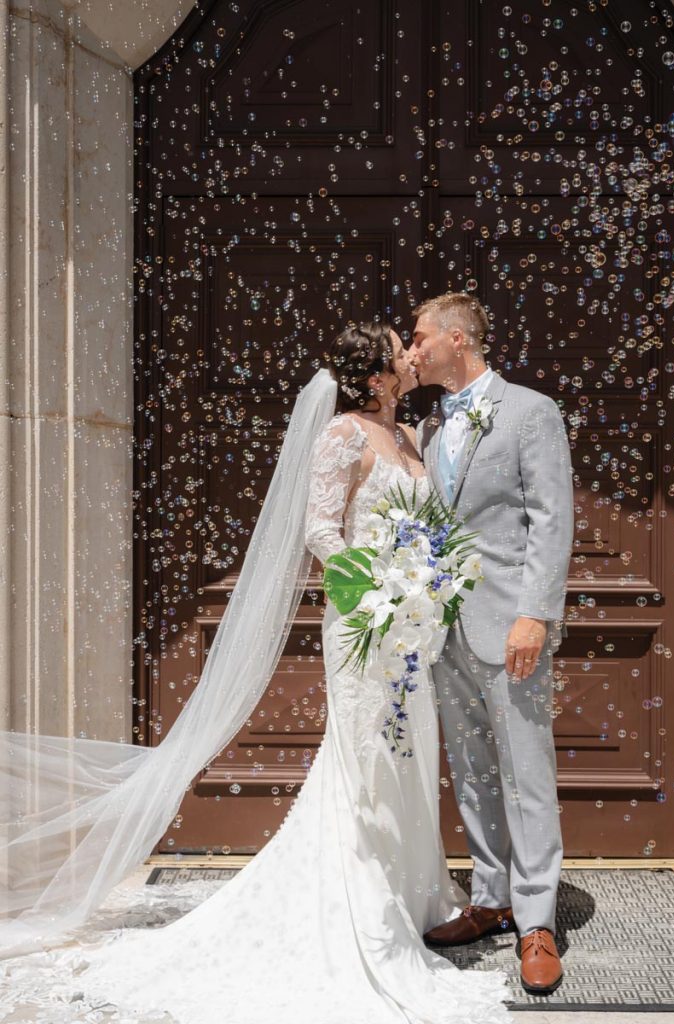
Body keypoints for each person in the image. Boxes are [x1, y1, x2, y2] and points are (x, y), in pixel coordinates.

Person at [0, 323, 510, 1024]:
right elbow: (321, 530)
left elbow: (430, 528)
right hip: (366, 625)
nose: (410, 354)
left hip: (413, 632)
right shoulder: (343, 437)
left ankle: (413, 894)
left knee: (411, 757)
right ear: (376, 377)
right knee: (366, 759)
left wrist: (429, 583)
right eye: (400, 349)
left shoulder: (415, 438)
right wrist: (376, 587)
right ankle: (362, 908)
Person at [410, 293, 574, 995]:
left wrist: (535, 613)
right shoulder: (425, 426)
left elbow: (551, 516)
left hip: (509, 625)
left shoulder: (530, 411)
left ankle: (537, 920)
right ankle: (491, 896)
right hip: (444, 627)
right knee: (472, 769)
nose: (412, 350)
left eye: (420, 337)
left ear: (456, 338)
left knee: (525, 772)